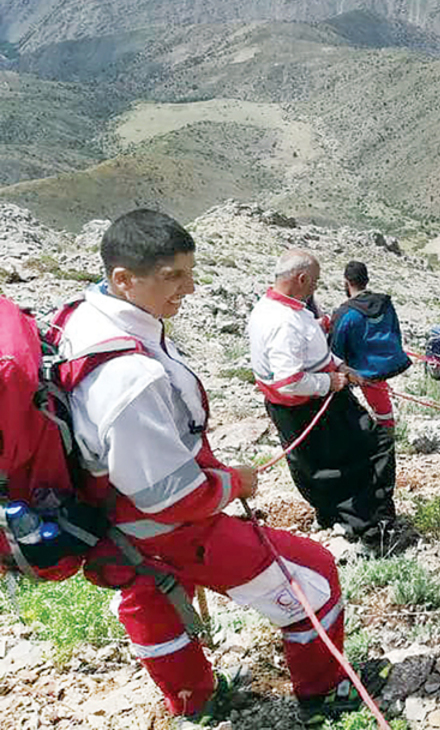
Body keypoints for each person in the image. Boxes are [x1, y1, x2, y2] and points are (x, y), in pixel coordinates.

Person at [59, 210, 383, 727]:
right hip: (167, 527)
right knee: (315, 578)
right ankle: (325, 693)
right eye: (173, 277)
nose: (189, 288)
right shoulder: (128, 379)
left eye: (189, 272)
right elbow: (171, 498)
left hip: (113, 523)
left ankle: (195, 702)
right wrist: (234, 482)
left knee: (153, 600)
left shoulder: (86, 320)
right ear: (124, 278)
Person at [247, 249, 398, 549]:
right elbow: (289, 381)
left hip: (303, 404)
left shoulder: (274, 309)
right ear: (301, 278)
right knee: (373, 447)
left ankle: (333, 516)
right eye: (314, 281)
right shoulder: (284, 321)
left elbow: (311, 352)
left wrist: (339, 365)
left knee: (318, 465)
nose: (316, 286)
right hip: (312, 403)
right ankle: (373, 528)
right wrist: (330, 381)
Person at [329, 261, 411, 430]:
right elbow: (395, 331)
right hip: (388, 366)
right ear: (366, 280)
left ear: (346, 282)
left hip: (362, 371)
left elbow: (335, 351)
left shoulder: (345, 313)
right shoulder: (386, 303)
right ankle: (387, 428)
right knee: (382, 409)